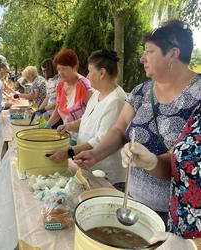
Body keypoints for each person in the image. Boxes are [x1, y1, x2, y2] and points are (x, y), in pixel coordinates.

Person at [74, 20, 201, 221]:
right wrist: (95, 154)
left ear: (173, 54)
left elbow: (186, 161)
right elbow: (119, 129)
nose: (142, 58)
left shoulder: (197, 96)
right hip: (132, 203)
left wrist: (152, 162)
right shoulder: (141, 91)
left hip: (176, 217)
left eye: (149, 51)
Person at [121, 105, 201, 249]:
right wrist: (151, 162)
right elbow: (180, 163)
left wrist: (191, 246)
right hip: (173, 237)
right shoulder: (198, 115)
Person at [48, 50, 127, 188]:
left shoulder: (116, 100)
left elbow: (100, 140)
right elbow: (85, 121)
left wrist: (69, 152)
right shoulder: (97, 93)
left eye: (90, 72)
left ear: (102, 73)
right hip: (89, 166)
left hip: (107, 174)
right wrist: (68, 126)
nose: (87, 76)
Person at [46, 48, 93, 144]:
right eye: (58, 69)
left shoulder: (84, 86)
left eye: (64, 69)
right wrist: (47, 126)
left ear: (75, 67)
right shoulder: (60, 86)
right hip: (69, 136)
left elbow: (93, 115)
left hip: (85, 139)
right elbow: (57, 111)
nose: (60, 72)